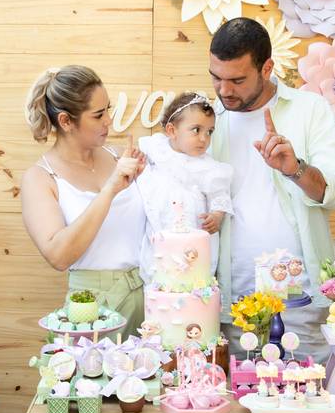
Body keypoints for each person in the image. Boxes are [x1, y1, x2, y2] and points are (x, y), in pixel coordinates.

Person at [208, 18, 335, 361]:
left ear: (267, 68)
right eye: (216, 77)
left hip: (300, 304)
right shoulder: (208, 121)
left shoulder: (309, 110)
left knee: (305, 407)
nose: (224, 90)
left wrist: (296, 169)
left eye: (237, 80)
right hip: (231, 306)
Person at [21, 65, 147, 336]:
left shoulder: (118, 157)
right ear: (66, 121)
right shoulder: (41, 178)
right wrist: (110, 190)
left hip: (146, 298)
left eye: (108, 110)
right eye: (99, 115)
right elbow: (59, 256)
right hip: (93, 310)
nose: (109, 121)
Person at [136, 92, 233, 281]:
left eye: (209, 131)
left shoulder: (210, 168)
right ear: (172, 131)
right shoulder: (157, 152)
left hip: (193, 231)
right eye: (196, 130)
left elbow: (220, 196)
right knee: (161, 270)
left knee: (192, 275)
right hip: (163, 228)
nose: (204, 138)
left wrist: (216, 215)